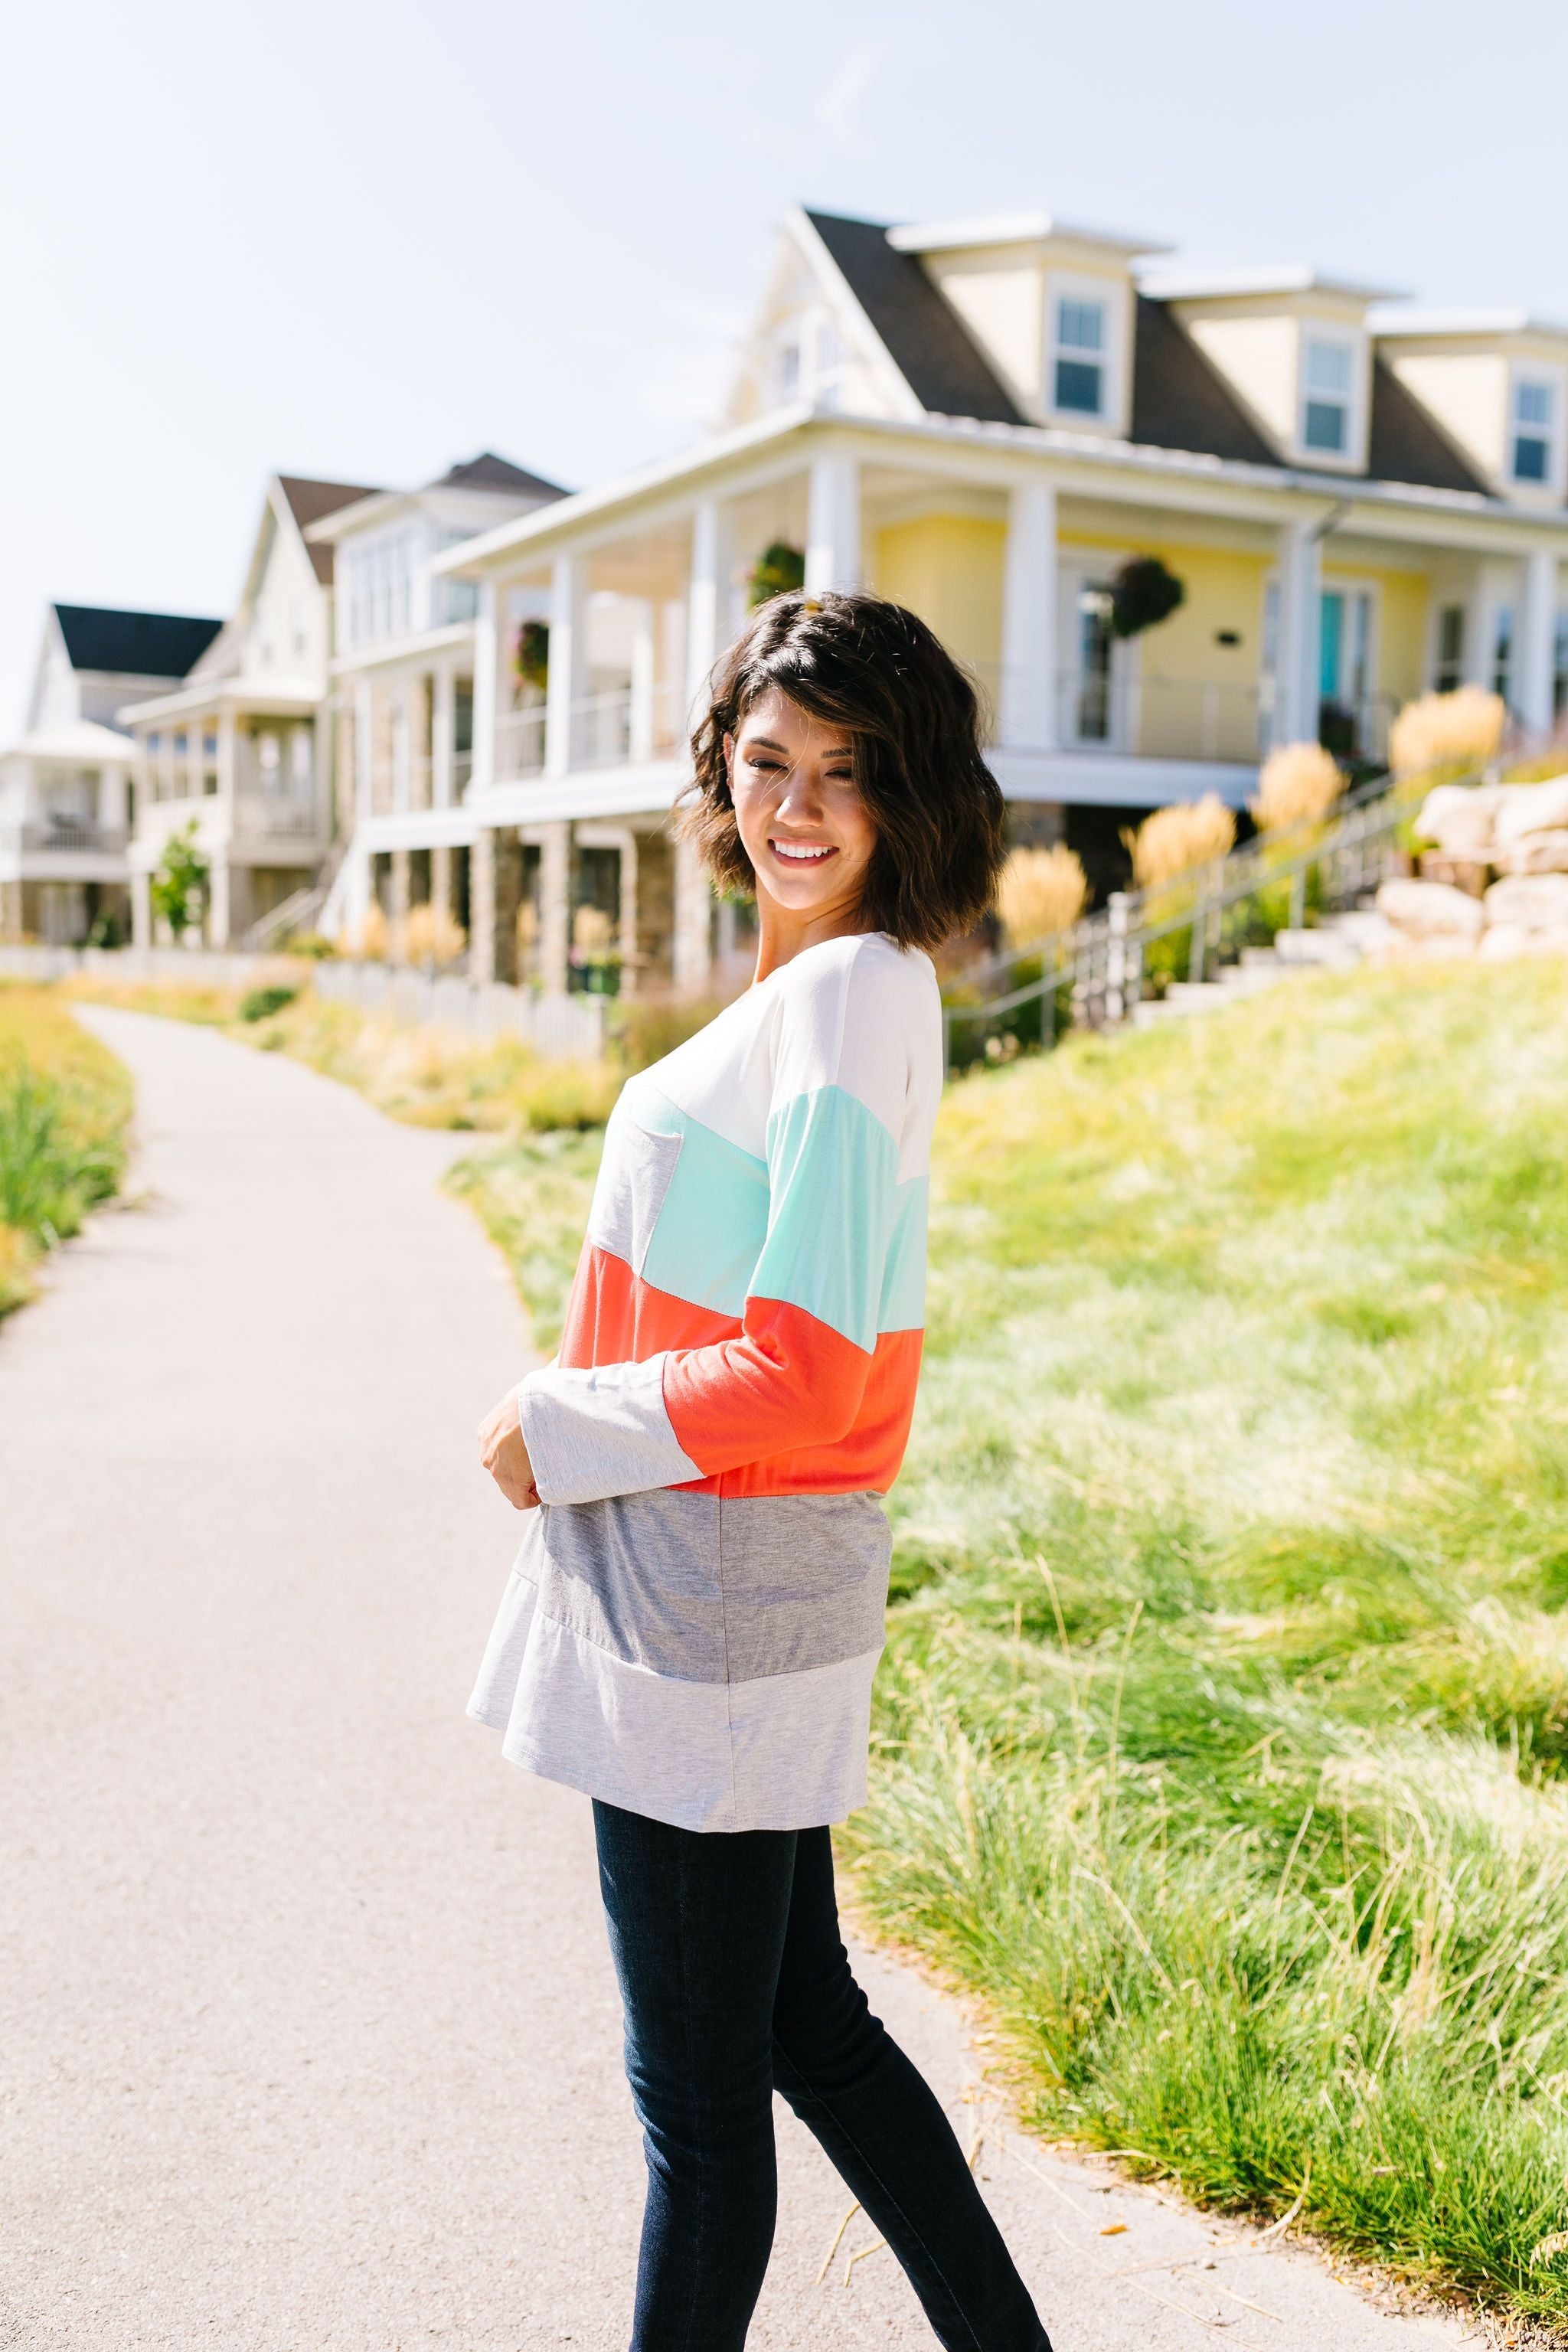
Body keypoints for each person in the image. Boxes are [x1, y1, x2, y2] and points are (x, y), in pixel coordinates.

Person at [470, 589, 1052, 2352]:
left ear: (908, 796)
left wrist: (552, 1423)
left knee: (702, 2112)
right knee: (807, 2033)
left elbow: (803, 1365)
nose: (797, 806)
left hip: (709, 1592)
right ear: (723, 773)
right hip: (734, 1578)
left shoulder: (850, 993)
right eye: (768, 761)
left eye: (847, 771)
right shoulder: (837, 990)